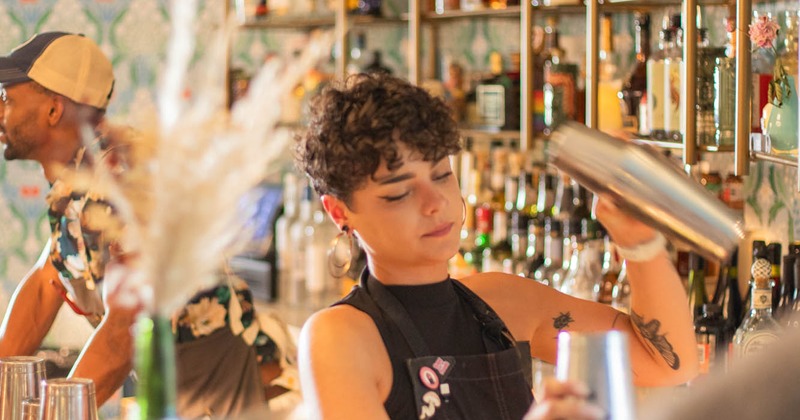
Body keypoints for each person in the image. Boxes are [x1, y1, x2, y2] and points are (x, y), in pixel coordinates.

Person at [296, 73, 699, 419]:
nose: (435, 203)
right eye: (400, 192)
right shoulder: (341, 338)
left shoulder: (502, 303)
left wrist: (638, 242)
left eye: (441, 175)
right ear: (339, 211)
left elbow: (668, 364)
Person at [0, 32, 291, 418]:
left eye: (6, 99)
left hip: (230, 392)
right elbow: (45, 283)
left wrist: (58, 412)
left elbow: (125, 330)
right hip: (183, 388)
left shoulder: (120, 180)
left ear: (53, 110)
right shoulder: (77, 182)